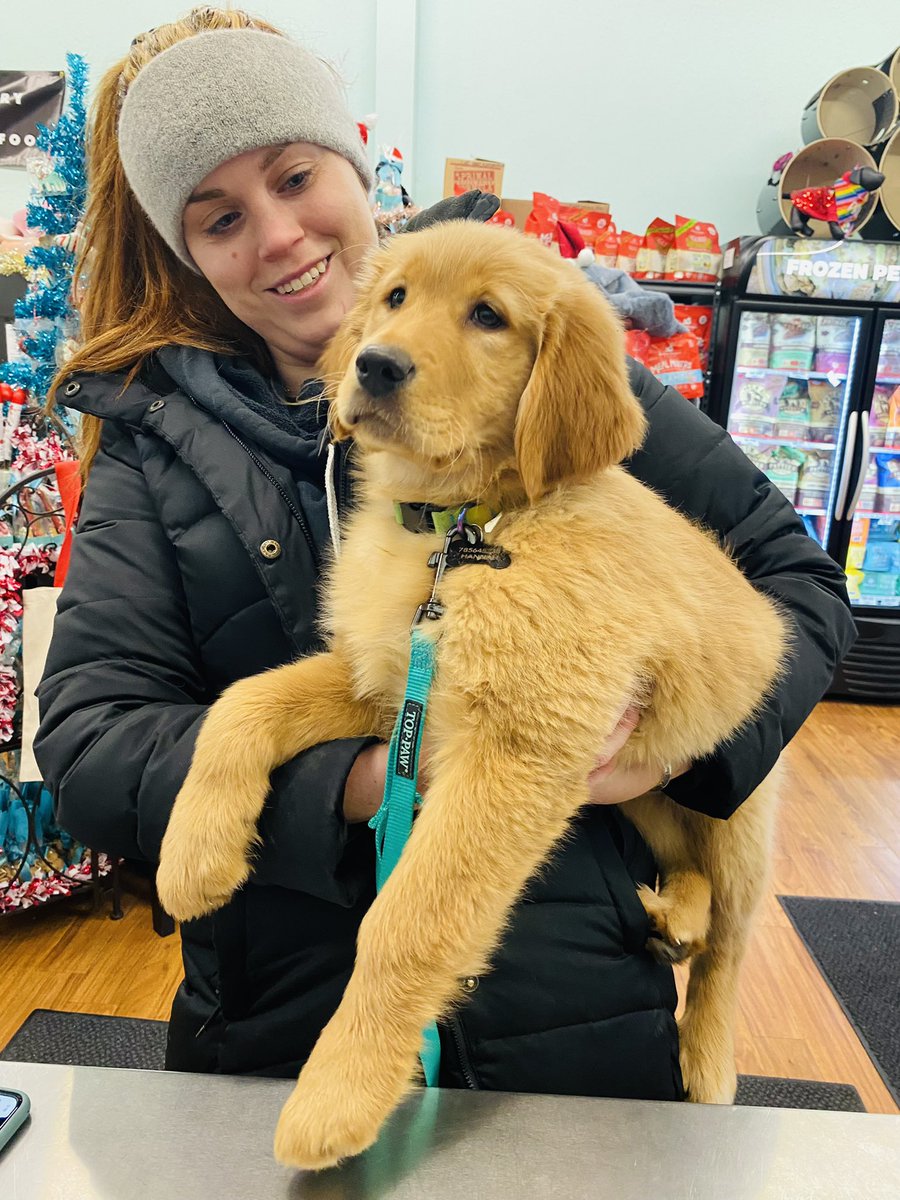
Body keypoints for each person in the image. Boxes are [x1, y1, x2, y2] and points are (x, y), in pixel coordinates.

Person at [35, 7, 855, 1098]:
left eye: (294, 176)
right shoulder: (150, 445)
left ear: (355, 164)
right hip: (278, 1026)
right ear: (186, 251)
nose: (277, 235)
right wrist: (381, 781)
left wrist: (674, 756)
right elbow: (93, 745)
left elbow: (797, 586)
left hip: (580, 1018)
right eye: (219, 216)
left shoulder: (553, 371)